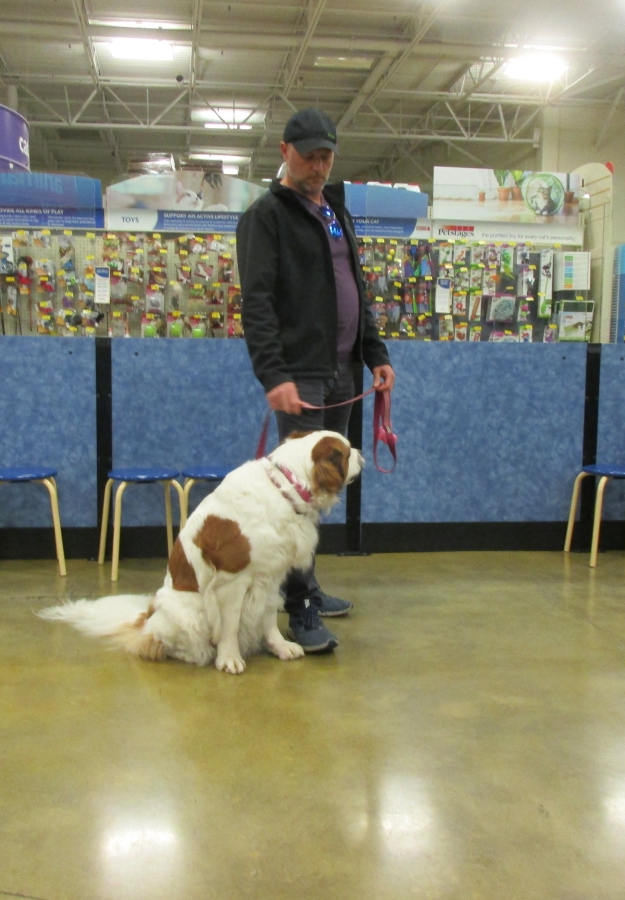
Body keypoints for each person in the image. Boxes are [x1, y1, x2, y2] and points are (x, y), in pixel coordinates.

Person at [236, 107, 395, 654]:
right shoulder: (265, 217)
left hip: (344, 371)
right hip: (299, 376)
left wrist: (375, 354)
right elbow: (256, 304)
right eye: (310, 156)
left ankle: (309, 586)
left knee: (322, 489)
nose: (320, 166)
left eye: (327, 156)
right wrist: (273, 373)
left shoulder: (335, 211)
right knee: (296, 498)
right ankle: (298, 606)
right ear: (285, 151)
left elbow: (356, 291)